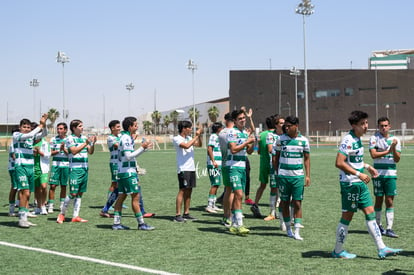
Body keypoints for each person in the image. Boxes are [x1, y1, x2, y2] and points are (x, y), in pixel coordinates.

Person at [332, 110, 402, 259]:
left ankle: (382, 248)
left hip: (360, 184)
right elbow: (339, 162)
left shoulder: (357, 139)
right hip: (350, 184)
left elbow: (354, 161)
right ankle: (338, 251)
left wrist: (367, 167)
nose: (365, 126)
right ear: (353, 125)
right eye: (362, 124)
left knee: (370, 214)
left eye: (366, 123)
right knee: (347, 217)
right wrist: (358, 173)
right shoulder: (348, 140)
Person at [111, 116, 154, 230]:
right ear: (130, 127)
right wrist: (142, 148)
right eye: (135, 125)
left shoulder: (127, 137)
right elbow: (129, 156)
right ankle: (141, 224)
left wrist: (144, 149)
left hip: (124, 172)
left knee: (121, 197)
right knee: (135, 197)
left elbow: (129, 156)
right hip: (128, 173)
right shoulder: (126, 138)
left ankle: (116, 223)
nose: (137, 126)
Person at [273, 116, 310, 241]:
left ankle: (297, 231)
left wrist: (308, 175)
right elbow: (276, 158)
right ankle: (288, 228)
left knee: (298, 202)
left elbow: (306, 158)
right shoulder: (280, 139)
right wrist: (276, 172)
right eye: (286, 126)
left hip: (298, 176)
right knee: (284, 202)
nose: (286, 128)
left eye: (289, 126)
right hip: (283, 176)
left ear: (296, 126)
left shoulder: (303, 141)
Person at [56, 119, 96, 224]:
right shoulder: (70, 139)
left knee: (80, 193)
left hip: (85, 168)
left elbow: (90, 152)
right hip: (75, 169)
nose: (82, 128)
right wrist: (86, 143)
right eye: (80, 126)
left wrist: (92, 144)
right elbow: (73, 151)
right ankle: (62, 214)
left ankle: (75, 216)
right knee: (73, 193)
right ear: (74, 128)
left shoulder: (83, 138)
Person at [13, 114, 48, 228]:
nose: (27, 129)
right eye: (25, 127)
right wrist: (40, 124)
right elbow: (33, 133)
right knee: (25, 192)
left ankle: (24, 217)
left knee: (28, 194)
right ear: (20, 127)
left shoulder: (30, 137)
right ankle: (21, 219)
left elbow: (44, 134)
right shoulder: (16, 135)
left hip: (30, 168)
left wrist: (44, 124)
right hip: (21, 167)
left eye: (28, 127)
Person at [369, 117, 401, 238]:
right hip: (378, 174)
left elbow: (397, 159)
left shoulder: (395, 140)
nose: (383, 128)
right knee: (378, 200)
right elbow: (373, 155)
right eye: (381, 126)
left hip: (391, 174)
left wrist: (392, 148)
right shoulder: (374, 138)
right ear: (378, 127)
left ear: (389, 126)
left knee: (389, 200)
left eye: (385, 125)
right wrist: (388, 151)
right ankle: (378, 225)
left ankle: (389, 228)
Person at [225, 110, 255, 234]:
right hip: (233, 166)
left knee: (239, 196)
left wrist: (251, 142)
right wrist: (247, 142)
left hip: (242, 167)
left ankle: (234, 223)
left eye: (244, 118)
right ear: (235, 120)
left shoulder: (244, 133)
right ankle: (240, 224)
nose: (243, 120)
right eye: (240, 118)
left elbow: (249, 152)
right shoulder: (232, 132)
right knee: (238, 194)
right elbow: (233, 149)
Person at [173, 120, 203, 222]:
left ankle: (186, 213)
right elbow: (186, 146)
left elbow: (198, 144)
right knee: (182, 190)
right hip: (183, 169)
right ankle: (177, 215)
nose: (191, 130)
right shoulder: (177, 138)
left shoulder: (189, 138)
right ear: (184, 129)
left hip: (191, 168)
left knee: (189, 190)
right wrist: (196, 136)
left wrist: (199, 136)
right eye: (189, 128)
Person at [100, 120, 121, 218]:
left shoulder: (119, 137)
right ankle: (109, 203)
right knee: (115, 183)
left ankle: (111, 203)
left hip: (120, 163)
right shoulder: (110, 138)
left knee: (118, 184)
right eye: (117, 127)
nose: (119, 128)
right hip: (114, 163)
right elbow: (117, 146)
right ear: (112, 128)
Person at [48, 122, 69, 213]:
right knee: (53, 186)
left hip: (66, 166)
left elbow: (71, 155)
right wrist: (58, 150)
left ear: (65, 130)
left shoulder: (69, 139)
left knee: (63, 186)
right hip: (55, 165)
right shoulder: (53, 139)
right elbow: (50, 153)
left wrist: (64, 149)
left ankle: (62, 205)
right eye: (58, 128)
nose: (59, 130)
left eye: (61, 129)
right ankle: (50, 205)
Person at [218, 113, 234, 227]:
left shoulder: (222, 132)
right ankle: (231, 216)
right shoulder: (231, 132)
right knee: (233, 191)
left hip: (224, 163)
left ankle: (226, 215)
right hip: (232, 164)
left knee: (228, 190)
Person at [205, 122, 224, 213]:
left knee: (217, 184)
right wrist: (213, 161)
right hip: (214, 164)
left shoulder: (217, 137)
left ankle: (213, 204)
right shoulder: (213, 136)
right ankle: (209, 205)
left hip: (218, 163)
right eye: (221, 127)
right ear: (218, 129)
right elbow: (209, 148)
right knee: (215, 183)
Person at [33, 134, 51, 215]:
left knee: (43, 187)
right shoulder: (30, 144)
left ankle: (43, 206)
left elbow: (48, 155)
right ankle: (38, 207)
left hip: (43, 168)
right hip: (34, 168)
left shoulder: (45, 143)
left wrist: (40, 152)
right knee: (36, 189)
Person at [8, 127, 19, 217]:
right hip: (14, 168)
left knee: (20, 188)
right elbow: (14, 156)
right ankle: (11, 210)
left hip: (18, 168)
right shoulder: (13, 144)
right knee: (14, 187)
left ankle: (20, 207)